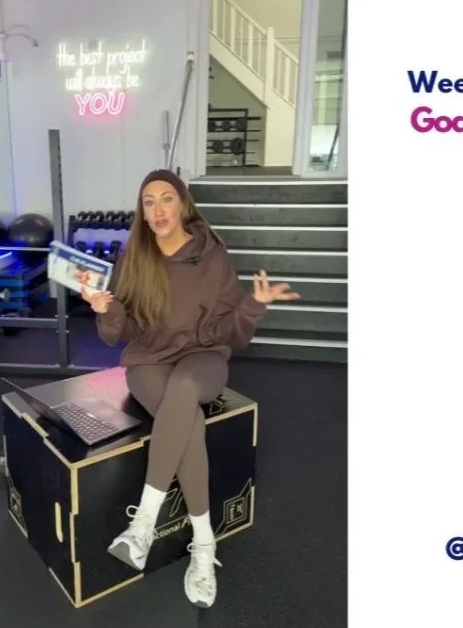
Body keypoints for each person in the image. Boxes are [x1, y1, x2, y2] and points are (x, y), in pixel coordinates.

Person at [80, 169, 299, 608]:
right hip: (148, 360)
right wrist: (105, 308)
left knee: (184, 391)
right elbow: (117, 333)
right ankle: (204, 543)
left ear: (182, 204)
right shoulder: (135, 257)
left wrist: (253, 305)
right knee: (189, 422)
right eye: (148, 202)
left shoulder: (211, 256)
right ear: (142, 211)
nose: (158, 210)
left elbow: (229, 332)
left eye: (166, 199)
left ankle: (143, 524)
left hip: (202, 358)